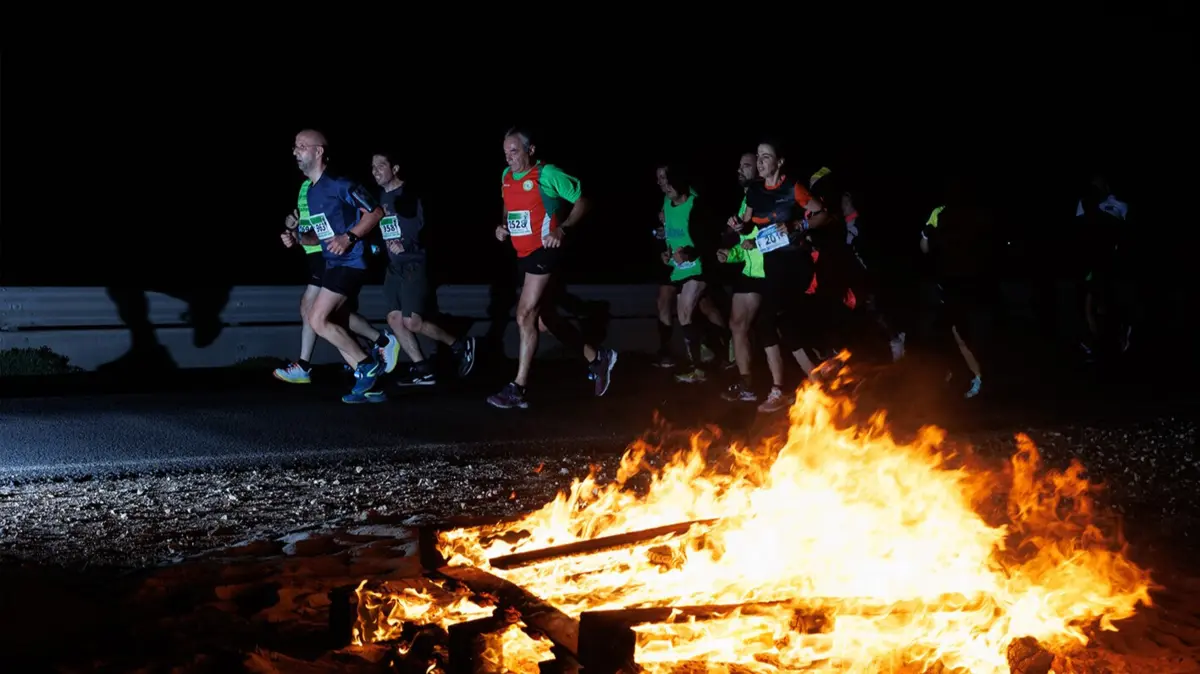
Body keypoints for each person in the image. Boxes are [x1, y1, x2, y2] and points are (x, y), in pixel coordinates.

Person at [487, 127, 617, 409]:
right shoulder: (506, 176)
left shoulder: (547, 174)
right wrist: (503, 226)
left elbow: (583, 201)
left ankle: (518, 387)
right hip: (523, 255)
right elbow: (508, 206)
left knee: (524, 314)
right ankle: (598, 358)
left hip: (545, 251)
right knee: (543, 321)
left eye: (514, 151)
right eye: (505, 152)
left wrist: (563, 229)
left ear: (530, 150)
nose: (509, 158)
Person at [283, 129, 387, 403]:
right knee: (334, 323)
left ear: (318, 151)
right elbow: (321, 235)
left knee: (316, 319)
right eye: (294, 147)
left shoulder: (340, 184)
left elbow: (375, 212)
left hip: (352, 262)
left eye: (301, 146)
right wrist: (297, 239)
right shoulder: (311, 192)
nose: (295, 151)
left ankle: (367, 364)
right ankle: (370, 385)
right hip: (333, 263)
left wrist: (349, 237)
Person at [275, 174, 398, 385]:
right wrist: (295, 230)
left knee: (315, 312)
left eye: (301, 153)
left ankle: (308, 365)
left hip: (331, 255)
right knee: (330, 316)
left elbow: (371, 213)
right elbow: (312, 224)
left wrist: (350, 238)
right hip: (314, 251)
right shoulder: (306, 187)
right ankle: (374, 355)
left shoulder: (335, 184)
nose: (297, 157)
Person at [371, 152, 476, 386]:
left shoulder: (411, 193)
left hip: (414, 264)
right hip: (394, 267)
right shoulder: (380, 197)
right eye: (373, 167)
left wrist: (407, 246)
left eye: (381, 165)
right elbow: (385, 227)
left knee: (412, 322)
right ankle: (422, 369)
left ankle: (459, 344)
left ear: (395, 168)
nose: (375, 171)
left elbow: (426, 228)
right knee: (394, 318)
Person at [719, 151, 769, 402]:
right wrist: (731, 254)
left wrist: (754, 246)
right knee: (738, 325)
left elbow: (775, 234)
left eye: (746, 165)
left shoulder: (767, 197)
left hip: (766, 271)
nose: (740, 170)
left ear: (759, 168)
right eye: (740, 165)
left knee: (769, 330)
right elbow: (746, 241)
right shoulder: (746, 199)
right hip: (749, 271)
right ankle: (748, 383)